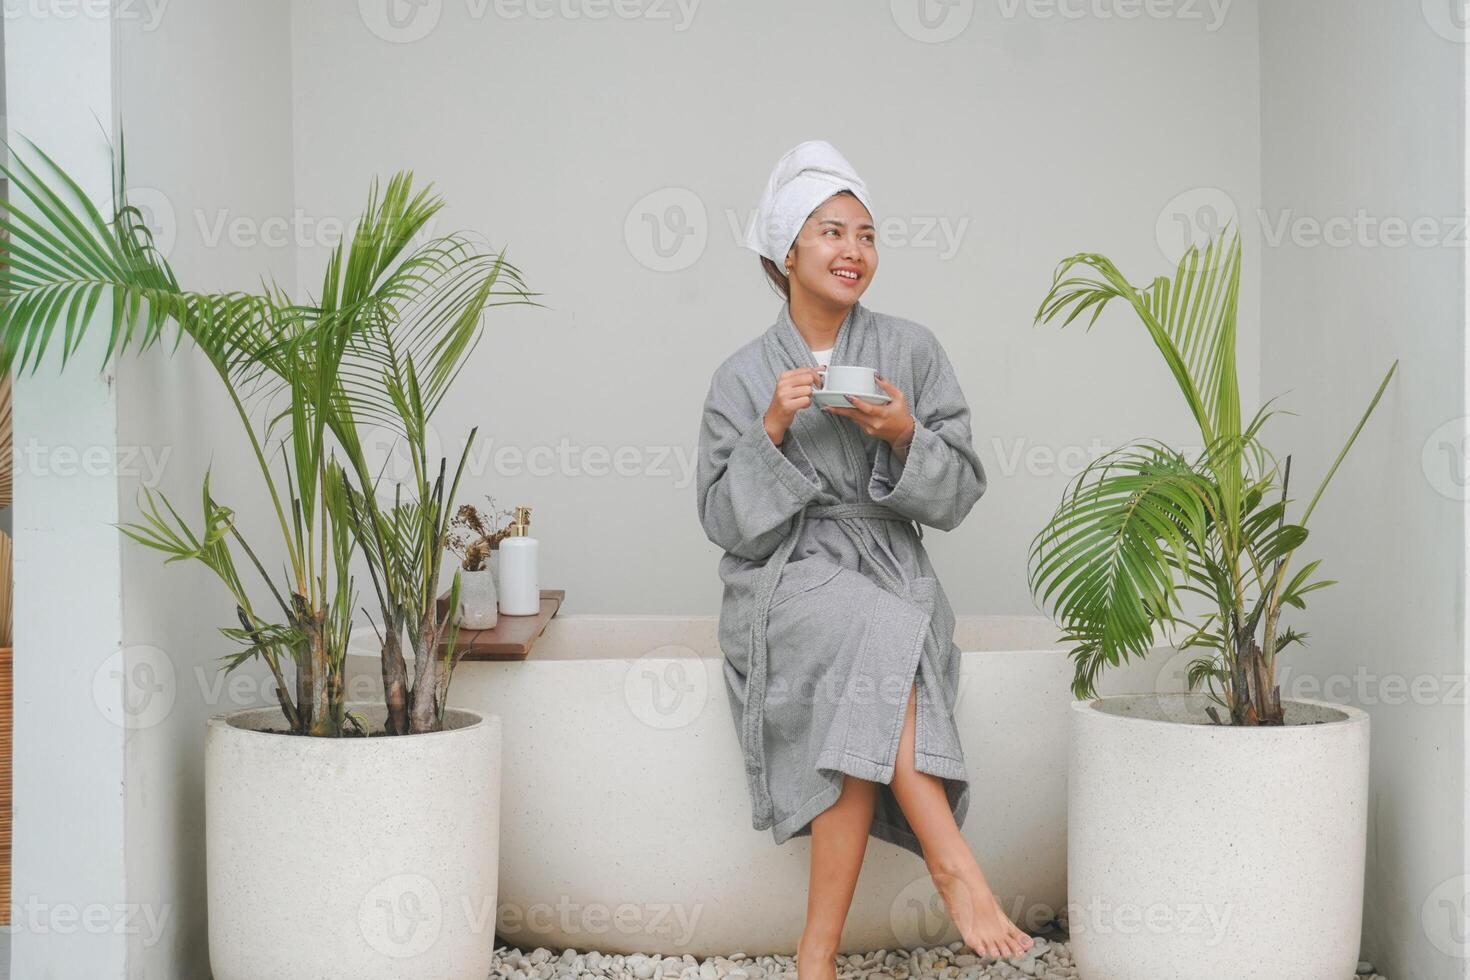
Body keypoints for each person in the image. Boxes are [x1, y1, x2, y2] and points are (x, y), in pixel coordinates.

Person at [695, 141, 1035, 977]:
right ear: (786, 251)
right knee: (877, 634)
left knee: (868, 679)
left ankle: (817, 956)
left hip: (887, 565)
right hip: (786, 576)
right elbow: (721, 521)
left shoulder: (911, 350)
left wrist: (904, 434)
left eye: (868, 235)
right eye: (831, 232)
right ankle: (953, 862)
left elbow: (960, 491)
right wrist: (770, 432)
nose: (854, 251)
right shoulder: (742, 377)